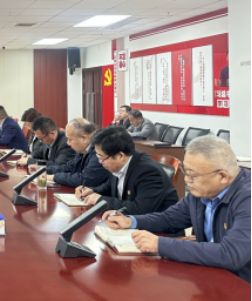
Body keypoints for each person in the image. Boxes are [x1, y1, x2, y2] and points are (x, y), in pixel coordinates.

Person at [104, 135, 250, 283]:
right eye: (185, 172)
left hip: (241, 284)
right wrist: (131, 221)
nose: (186, 180)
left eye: (193, 175)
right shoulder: (202, 192)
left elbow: (231, 254)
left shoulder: (247, 199)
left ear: (222, 176)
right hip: (211, 274)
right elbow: (170, 218)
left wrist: (160, 245)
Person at [76, 126, 178, 215]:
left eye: (102, 157)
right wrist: (92, 191)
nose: (100, 161)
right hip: (127, 221)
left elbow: (141, 209)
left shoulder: (148, 171)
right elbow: (110, 186)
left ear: (120, 156)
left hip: (155, 227)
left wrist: (100, 200)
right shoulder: (117, 164)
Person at [29, 118, 109, 188]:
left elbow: (84, 179)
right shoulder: (82, 149)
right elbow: (68, 168)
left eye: (70, 139)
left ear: (84, 138)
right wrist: (42, 170)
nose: (68, 143)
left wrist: (53, 177)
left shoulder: (100, 151)